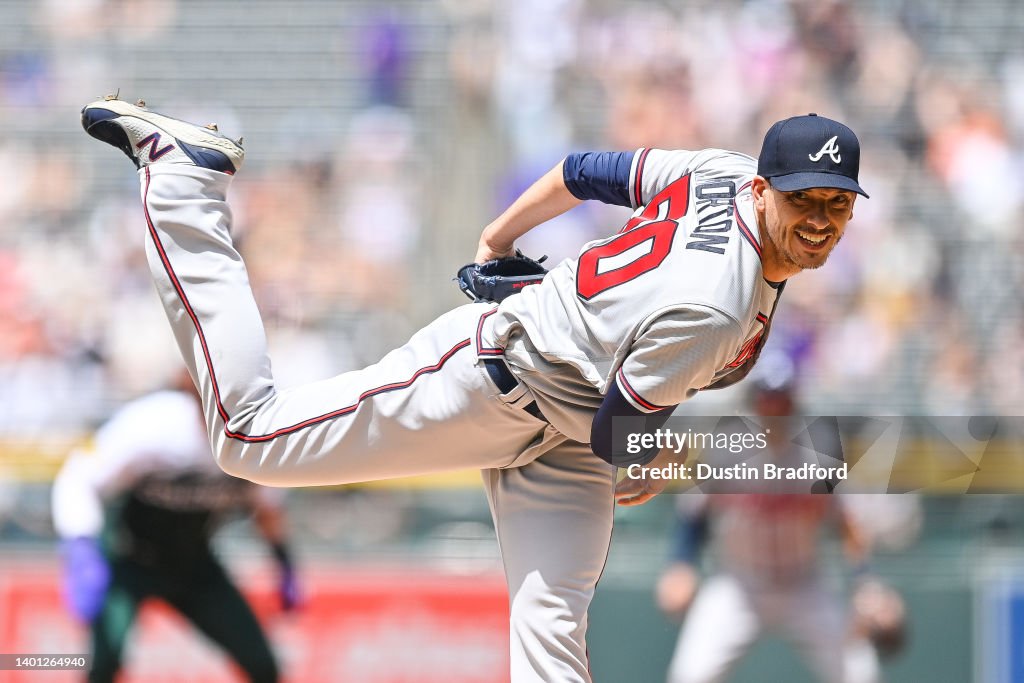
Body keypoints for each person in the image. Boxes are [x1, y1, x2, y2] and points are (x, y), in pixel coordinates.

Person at [80, 95, 866, 683]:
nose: (821, 218)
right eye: (804, 198)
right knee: (248, 437)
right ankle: (185, 188)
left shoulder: (719, 171)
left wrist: (501, 234)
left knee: (551, 628)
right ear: (765, 189)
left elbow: (583, 171)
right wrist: (653, 467)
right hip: (494, 384)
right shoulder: (716, 302)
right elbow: (620, 434)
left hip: (569, 417)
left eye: (836, 203)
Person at [656, 354, 894, 683]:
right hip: (740, 586)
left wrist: (868, 583)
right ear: (753, 401)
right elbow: (694, 515)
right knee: (688, 676)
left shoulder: (818, 448)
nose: (773, 407)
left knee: (861, 675)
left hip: (805, 585)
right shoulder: (726, 447)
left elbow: (847, 523)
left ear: (794, 400)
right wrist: (681, 564)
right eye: (766, 398)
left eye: (781, 398)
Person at [51, 370, 299, 683]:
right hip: (129, 561)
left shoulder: (258, 438)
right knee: (102, 666)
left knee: (263, 666)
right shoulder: (154, 424)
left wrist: (283, 561)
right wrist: (82, 548)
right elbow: (78, 477)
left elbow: (267, 506)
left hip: (195, 566)